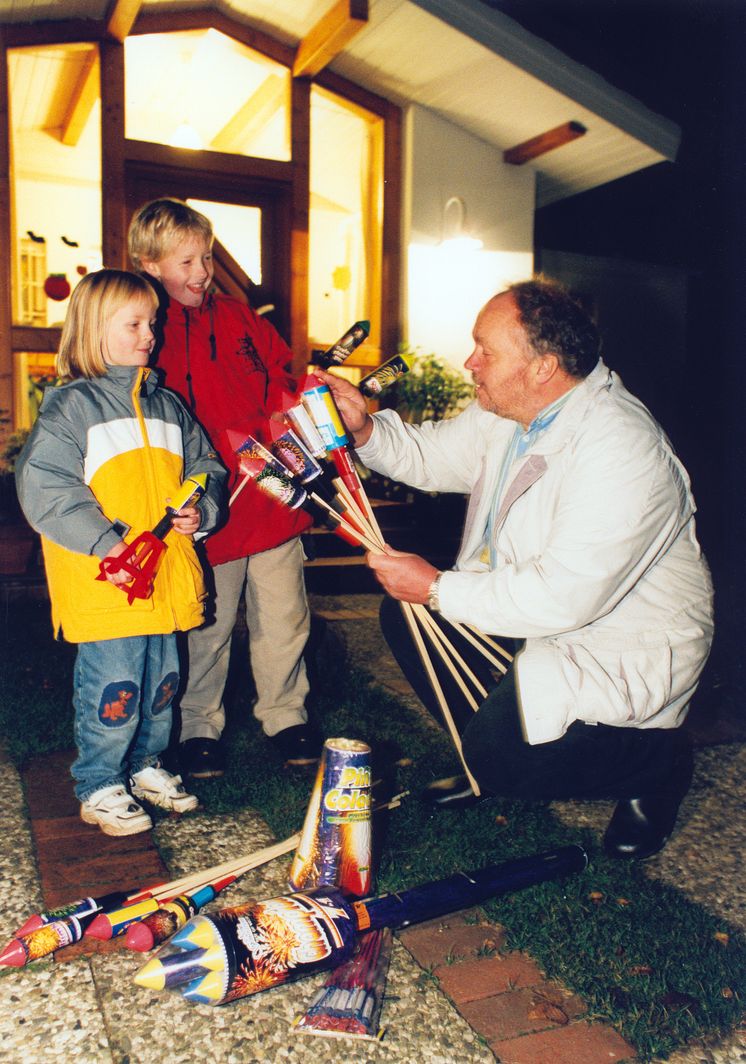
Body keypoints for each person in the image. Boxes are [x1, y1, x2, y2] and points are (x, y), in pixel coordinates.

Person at [318, 278, 714, 860]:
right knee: (411, 616)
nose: (469, 361)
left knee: (505, 753)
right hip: (544, 618)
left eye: (485, 349)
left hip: (621, 641)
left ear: (541, 367)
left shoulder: (622, 448)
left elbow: (565, 598)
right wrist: (366, 430)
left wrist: (436, 586)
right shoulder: (515, 410)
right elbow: (434, 456)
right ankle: (490, 754)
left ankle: (654, 767)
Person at [16, 269, 227, 836]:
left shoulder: (168, 406)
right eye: (133, 323)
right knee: (116, 685)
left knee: (163, 684)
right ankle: (99, 781)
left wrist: (199, 509)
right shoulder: (71, 409)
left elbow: (207, 467)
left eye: (152, 323)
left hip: (164, 580)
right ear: (92, 330)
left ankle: (146, 765)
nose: (149, 334)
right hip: (106, 581)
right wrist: (112, 544)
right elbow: (47, 487)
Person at [127, 198, 321, 780]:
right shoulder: (145, 329)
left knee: (284, 616)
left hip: (268, 495)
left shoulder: (239, 319)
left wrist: (295, 409)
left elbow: (283, 377)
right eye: (185, 262)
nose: (200, 273)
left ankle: (286, 714)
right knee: (206, 622)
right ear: (148, 263)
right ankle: (198, 724)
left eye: (206, 258)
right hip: (204, 504)